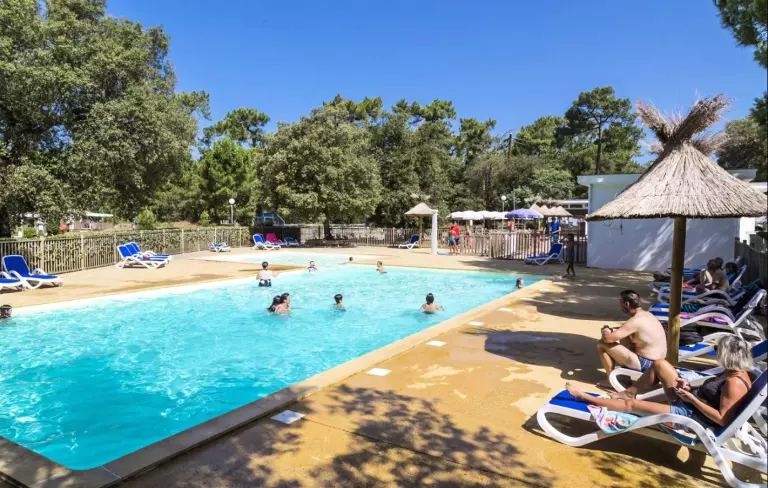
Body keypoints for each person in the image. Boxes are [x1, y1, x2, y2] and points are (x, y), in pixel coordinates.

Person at [566, 335, 754, 433]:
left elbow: (722, 419)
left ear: (728, 355)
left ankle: (584, 397)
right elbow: (713, 395)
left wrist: (692, 400)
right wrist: (690, 388)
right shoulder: (732, 371)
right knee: (660, 365)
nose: (716, 352)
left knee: (632, 406)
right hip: (690, 403)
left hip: (691, 416)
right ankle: (630, 391)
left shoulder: (734, 383)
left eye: (718, 349)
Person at [596, 290, 667, 391]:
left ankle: (610, 381)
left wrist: (605, 330)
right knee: (625, 336)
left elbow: (607, 339)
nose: (620, 305)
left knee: (602, 344)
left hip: (647, 364)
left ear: (626, 304)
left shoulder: (635, 321)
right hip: (659, 362)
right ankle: (624, 379)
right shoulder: (648, 315)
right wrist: (612, 330)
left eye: (620, 302)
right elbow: (624, 330)